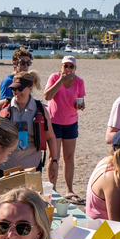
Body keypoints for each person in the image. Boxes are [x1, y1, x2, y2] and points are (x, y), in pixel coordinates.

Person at [0, 70, 59, 177]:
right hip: (5, 166)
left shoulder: (40, 109)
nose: (16, 92)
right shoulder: (4, 105)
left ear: (30, 89)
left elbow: (51, 136)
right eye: (13, 88)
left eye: (20, 88)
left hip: (31, 167)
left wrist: (54, 161)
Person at [43, 55, 86, 203]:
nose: (68, 69)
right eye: (65, 66)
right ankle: (52, 189)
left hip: (71, 123)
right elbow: (47, 96)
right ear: (61, 67)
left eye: (71, 66)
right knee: (53, 157)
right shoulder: (54, 77)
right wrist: (61, 81)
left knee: (69, 158)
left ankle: (69, 190)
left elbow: (80, 100)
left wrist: (80, 105)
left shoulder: (79, 81)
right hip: (54, 123)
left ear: (75, 68)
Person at [86, 129, 120, 220]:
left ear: (112, 146)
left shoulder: (104, 162)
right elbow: (117, 222)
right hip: (102, 231)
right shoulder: (114, 178)